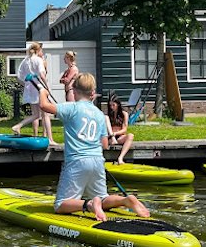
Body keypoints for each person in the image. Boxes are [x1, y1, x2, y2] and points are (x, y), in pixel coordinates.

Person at [38, 72, 149, 221]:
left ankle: (88, 205)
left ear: (75, 91)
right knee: (103, 198)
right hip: (97, 160)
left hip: (76, 161)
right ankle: (125, 200)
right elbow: (104, 144)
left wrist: (42, 91)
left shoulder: (71, 108)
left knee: (60, 205)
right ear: (92, 93)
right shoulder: (99, 114)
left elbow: (44, 105)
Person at [13, 42, 57, 146]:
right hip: (39, 88)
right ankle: (50, 139)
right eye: (41, 50)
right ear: (38, 50)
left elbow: (19, 77)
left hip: (30, 89)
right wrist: (47, 87)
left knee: (36, 114)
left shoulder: (25, 61)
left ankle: (18, 126)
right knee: (45, 114)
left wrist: (26, 83)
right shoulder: (38, 60)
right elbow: (42, 74)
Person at [105, 94, 134, 165]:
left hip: (119, 136)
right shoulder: (108, 115)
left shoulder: (124, 114)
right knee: (105, 117)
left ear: (118, 104)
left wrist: (115, 133)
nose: (111, 107)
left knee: (130, 136)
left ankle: (120, 158)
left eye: (113, 105)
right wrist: (112, 135)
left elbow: (124, 129)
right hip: (110, 137)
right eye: (110, 105)